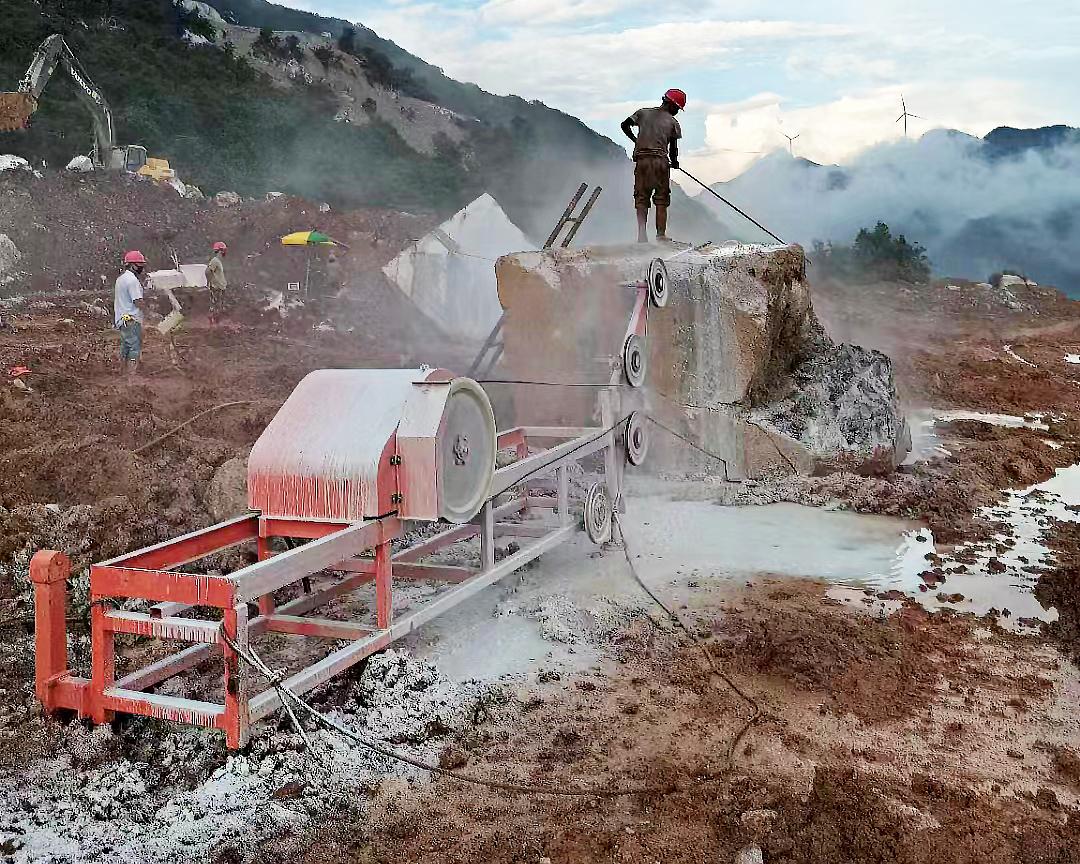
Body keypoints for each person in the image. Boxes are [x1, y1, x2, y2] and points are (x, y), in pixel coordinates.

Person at [621, 88, 686, 243]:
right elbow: (673, 148)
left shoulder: (643, 113)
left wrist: (636, 141)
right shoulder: (673, 122)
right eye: (677, 108)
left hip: (642, 162)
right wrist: (674, 162)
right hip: (660, 163)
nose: (677, 112)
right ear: (671, 104)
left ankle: (642, 236)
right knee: (662, 199)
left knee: (641, 198)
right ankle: (661, 236)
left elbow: (624, 125)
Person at [114, 250, 147, 378]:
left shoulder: (120, 279)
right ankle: (132, 375)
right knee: (134, 347)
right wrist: (149, 313)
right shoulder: (132, 281)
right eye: (140, 265)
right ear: (133, 265)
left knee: (126, 347)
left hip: (122, 319)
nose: (142, 268)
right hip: (131, 319)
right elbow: (137, 301)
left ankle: (122, 372)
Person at [205, 241, 228, 325]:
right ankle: (213, 324)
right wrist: (209, 282)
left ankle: (216, 324)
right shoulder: (215, 261)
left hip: (220, 287)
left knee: (218, 306)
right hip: (216, 287)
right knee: (216, 306)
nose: (225, 252)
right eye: (224, 250)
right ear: (220, 250)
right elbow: (208, 271)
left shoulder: (218, 261)